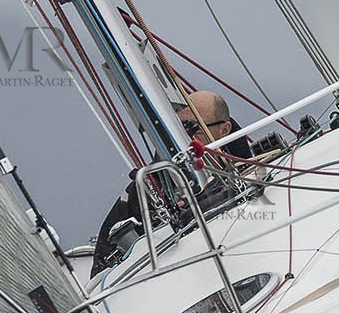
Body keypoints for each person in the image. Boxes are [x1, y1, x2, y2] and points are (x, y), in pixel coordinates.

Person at [90, 91, 251, 274]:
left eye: (194, 129)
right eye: (180, 128)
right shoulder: (146, 188)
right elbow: (102, 268)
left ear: (224, 129)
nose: (186, 138)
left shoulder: (252, 167)